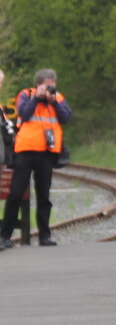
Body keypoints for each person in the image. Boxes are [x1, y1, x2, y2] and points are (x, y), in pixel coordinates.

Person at [2, 68, 70, 250]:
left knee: (44, 196)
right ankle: (5, 237)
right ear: (38, 85)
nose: (50, 90)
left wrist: (53, 101)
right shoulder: (25, 95)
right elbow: (23, 113)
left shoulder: (57, 98)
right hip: (25, 151)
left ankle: (45, 236)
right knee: (15, 193)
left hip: (46, 153)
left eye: (52, 87)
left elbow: (66, 117)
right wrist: (36, 98)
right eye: (47, 87)